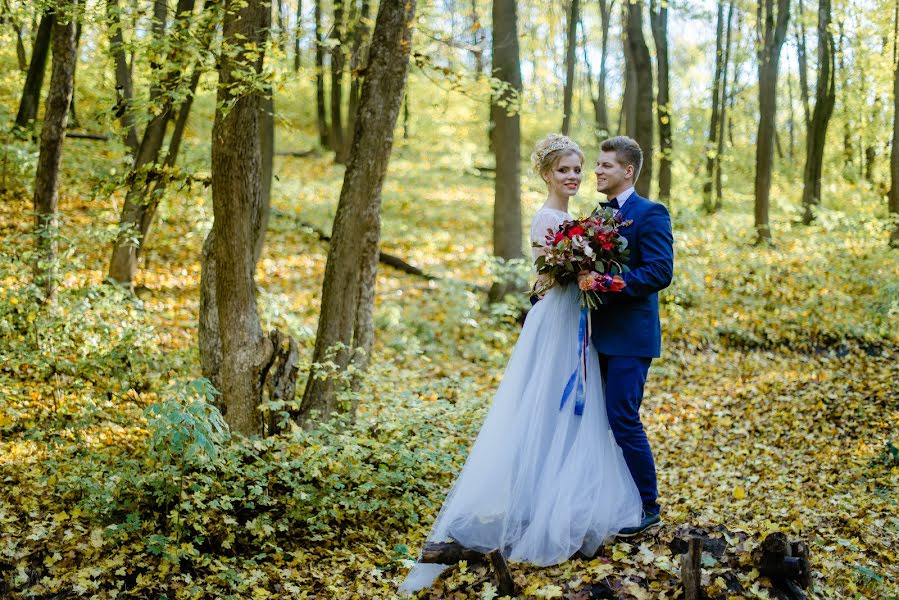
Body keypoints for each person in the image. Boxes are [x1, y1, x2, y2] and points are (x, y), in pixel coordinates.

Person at [399, 134, 642, 594]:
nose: (572, 177)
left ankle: (561, 503)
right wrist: (578, 267)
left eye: (577, 169)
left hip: (576, 320)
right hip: (556, 321)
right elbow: (548, 275)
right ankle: (536, 507)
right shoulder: (549, 219)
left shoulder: (577, 220)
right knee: (545, 406)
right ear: (547, 174)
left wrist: (592, 266)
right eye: (563, 170)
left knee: (573, 411)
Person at [588, 136, 674, 537]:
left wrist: (608, 282)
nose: (598, 170)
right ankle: (611, 497)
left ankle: (647, 505)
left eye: (606, 165)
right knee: (597, 420)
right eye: (598, 164)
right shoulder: (597, 215)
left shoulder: (651, 213)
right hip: (597, 334)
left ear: (628, 171)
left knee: (623, 417)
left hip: (632, 336)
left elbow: (660, 272)